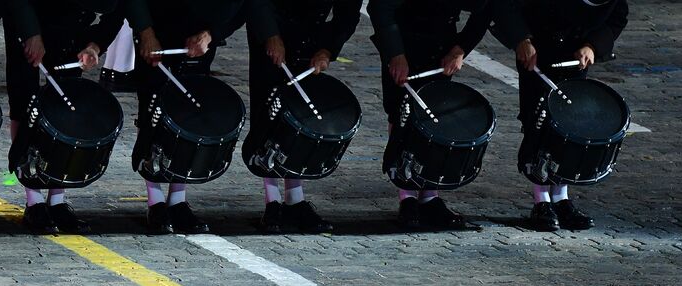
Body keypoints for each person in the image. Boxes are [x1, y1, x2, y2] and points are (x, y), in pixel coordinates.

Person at [491, 0, 628, 231]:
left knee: (571, 125)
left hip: (574, 52)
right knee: (538, 122)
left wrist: (593, 46)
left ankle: (561, 197)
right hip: (538, 48)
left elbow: (617, 16)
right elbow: (506, 5)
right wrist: (521, 39)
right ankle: (541, 200)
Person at [125, 0, 250, 235]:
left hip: (198, 36)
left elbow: (240, 6)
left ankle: (178, 199)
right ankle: (155, 201)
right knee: (152, 114)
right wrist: (145, 31)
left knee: (188, 116)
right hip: (158, 29)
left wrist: (211, 34)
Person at [368, 0, 492, 230]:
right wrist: (395, 53)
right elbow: (380, 8)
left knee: (435, 116)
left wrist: (460, 48)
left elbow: (485, 8)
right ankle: (407, 196)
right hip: (404, 39)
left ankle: (429, 195)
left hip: (441, 42)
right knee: (401, 114)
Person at [4, 0, 125, 233]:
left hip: (73, 22)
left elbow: (119, 11)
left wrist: (95, 45)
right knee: (24, 102)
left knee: (66, 103)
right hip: (28, 17)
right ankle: (34, 200)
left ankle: (57, 200)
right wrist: (31, 33)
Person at [244, 0, 362, 233]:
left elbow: (347, 13)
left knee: (301, 116)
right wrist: (270, 34)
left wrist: (328, 49)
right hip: (273, 25)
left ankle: (295, 199)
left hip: (312, 32)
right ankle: (272, 200)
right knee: (269, 111)